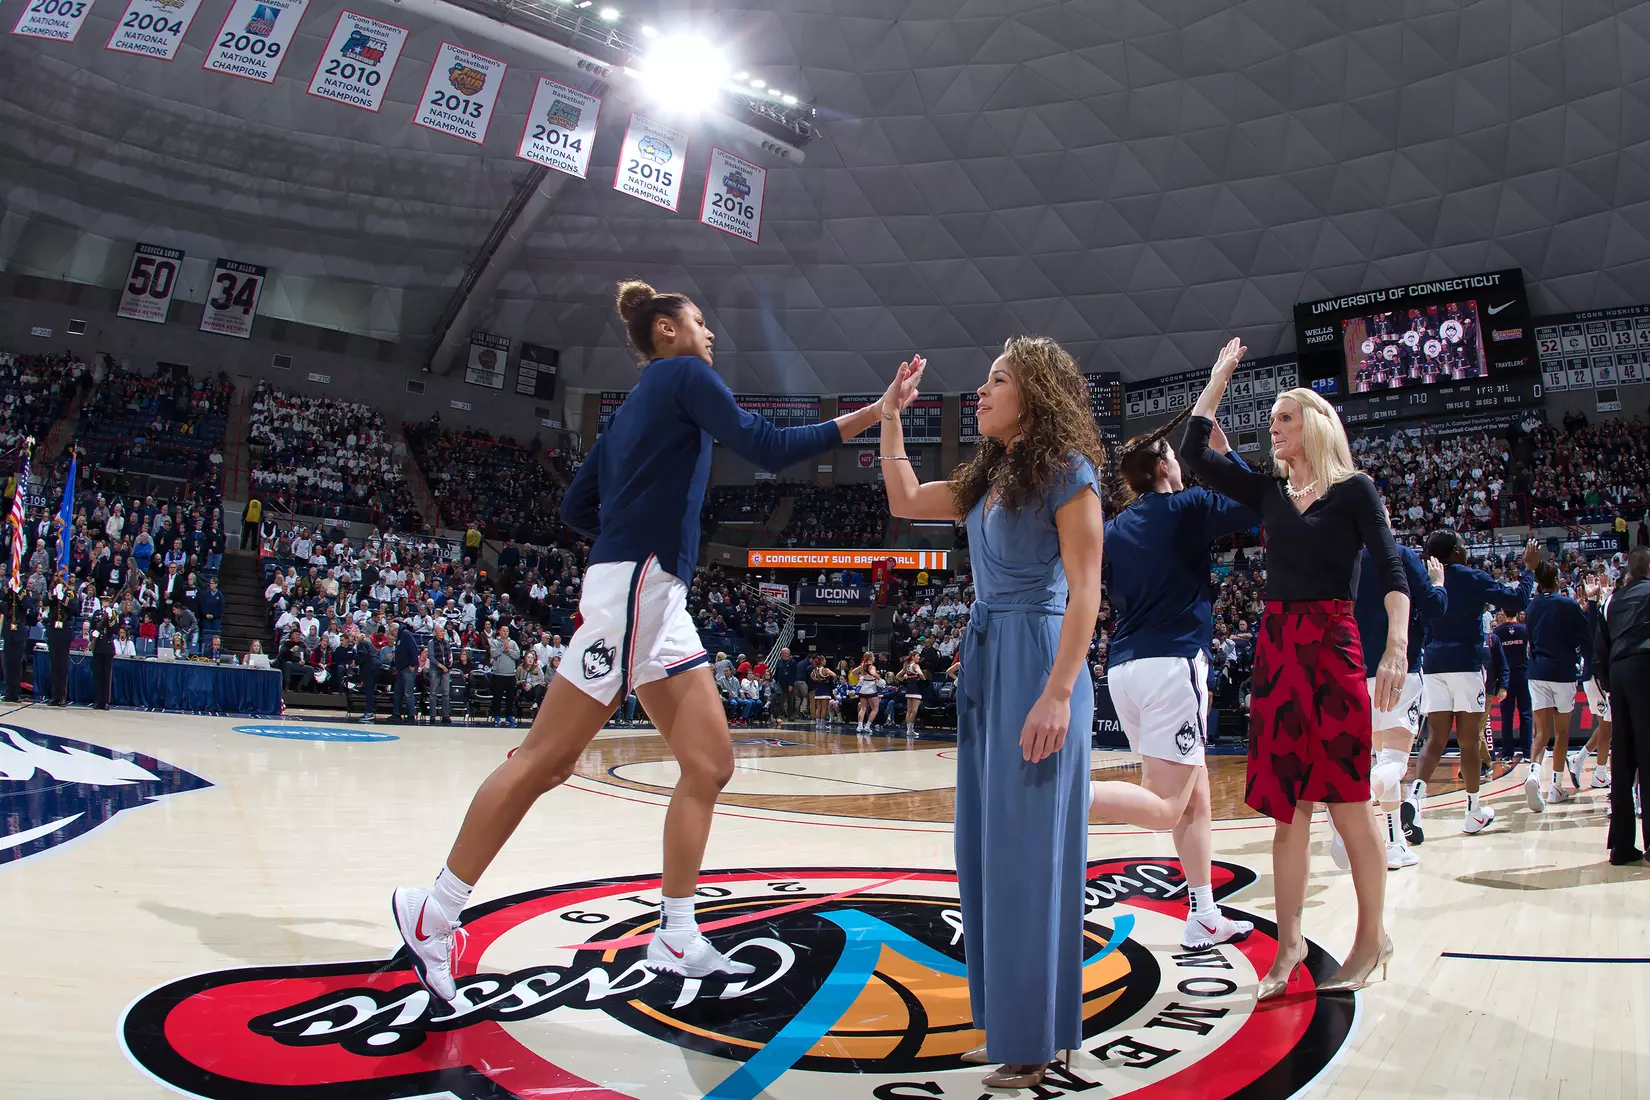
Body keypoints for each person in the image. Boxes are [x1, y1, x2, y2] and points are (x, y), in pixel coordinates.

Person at [392, 278, 895, 1001]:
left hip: (653, 594)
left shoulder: (625, 416)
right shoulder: (686, 376)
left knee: (710, 761)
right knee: (545, 759)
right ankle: (433, 912)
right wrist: (874, 414)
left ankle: (676, 934)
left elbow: (574, 505)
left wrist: (629, 531)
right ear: (666, 331)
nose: (710, 335)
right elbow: (766, 445)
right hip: (640, 586)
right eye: (700, 320)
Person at [877, 338, 1103, 1089]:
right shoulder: (988, 475)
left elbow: (1086, 592)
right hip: (986, 663)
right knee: (984, 857)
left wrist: (1060, 692)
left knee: (1030, 858)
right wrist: (891, 418)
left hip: (1038, 661)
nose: (980, 390)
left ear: (1032, 395)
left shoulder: (1070, 473)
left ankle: (1037, 1037)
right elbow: (905, 499)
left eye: (996, 380)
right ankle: (1008, 1023)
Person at [1181, 338, 1409, 1001]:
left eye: (1282, 418)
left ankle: (1371, 939)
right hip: (1278, 649)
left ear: (1311, 424)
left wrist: (1395, 644)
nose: (1271, 429)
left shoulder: (1355, 491)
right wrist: (1218, 376)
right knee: (1288, 808)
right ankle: (1289, 946)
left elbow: (1392, 573)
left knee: (1350, 800)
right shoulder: (1269, 491)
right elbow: (1196, 452)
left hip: (1335, 643)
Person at [1089, 407, 1260, 950]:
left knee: (1195, 797)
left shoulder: (1116, 528)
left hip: (1123, 670)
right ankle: (1062, 796)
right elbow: (1257, 500)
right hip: (1173, 665)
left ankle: (1203, 912)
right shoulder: (1185, 506)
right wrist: (1226, 453)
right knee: (1165, 807)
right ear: (1165, 465)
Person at [1406, 534, 1537, 839]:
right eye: (1462, 545)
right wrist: (1529, 570)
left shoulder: (1427, 581)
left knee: (1435, 739)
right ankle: (1473, 812)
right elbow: (1516, 602)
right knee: (1467, 740)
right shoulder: (1471, 577)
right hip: (1466, 663)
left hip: (1434, 663)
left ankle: (1414, 797)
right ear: (1455, 551)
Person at [1334, 532, 1449, 870]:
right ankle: (1352, 802)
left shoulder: (1347, 560)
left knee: (1383, 759)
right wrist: (1439, 582)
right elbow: (1434, 606)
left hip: (1356, 671)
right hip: (1399, 669)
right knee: (1396, 762)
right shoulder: (1399, 554)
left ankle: (1395, 842)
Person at [1523, 557, 1592, 809]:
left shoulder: (1531, 608)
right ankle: (1555, 786)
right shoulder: (1569, 604)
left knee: (1541, 732)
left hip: (1537, 670)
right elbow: (1584, 637)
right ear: (1556, 580)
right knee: (1562, 731)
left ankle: (1532, 774)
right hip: (1562, 672)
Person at [1596, 548, 1650, 864]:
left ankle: (1621, 846)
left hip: (1618, 674)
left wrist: (1608, 682)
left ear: (1627, 572)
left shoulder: (1611, 601)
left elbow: (1599, 649)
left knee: (1624, 758)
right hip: (1646, 666)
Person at [1491, 609, 1532, 759]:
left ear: (1503, 612)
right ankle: (1527, 752)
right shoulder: (1524, 629)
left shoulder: (1498, 631)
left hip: (1505, 677)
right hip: (1523, 674)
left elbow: (1494, 656)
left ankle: (1508, 752)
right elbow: (1530, 650)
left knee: (1506, 715)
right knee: (1526, 713)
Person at [487, 623, 519, 727]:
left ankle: (509, 716)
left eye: (507, 631)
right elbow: (493, 654)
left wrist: (508, 650)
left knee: (510, 697)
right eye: (503, 631)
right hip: (498, 675)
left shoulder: (513, 643)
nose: (505, 633)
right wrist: (502, 648)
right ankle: (496, 715)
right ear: (499, 632)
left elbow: (517, 655)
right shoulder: (495, 642)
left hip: (510, 675)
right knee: (497, 697)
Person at [391, 620, 420, 725]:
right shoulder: (399, 637)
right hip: (401, 668)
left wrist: (412, 664)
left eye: (392, 632)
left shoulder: (406, 634)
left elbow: (414, 650)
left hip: (408, 667)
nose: (392, 634)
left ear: (396, 630)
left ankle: (411, 715)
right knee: (397, 691)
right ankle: (396, 713)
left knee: (408, 692)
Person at [91, 612, 116, 710]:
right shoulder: (97, 613)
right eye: (104, 601)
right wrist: (93, 633)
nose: (105, 603)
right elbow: (93, 625)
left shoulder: (112, 614)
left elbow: (114, 630)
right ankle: (97, 700)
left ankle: (105, 701)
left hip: (107, 648)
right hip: (97, 647)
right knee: (97, 675)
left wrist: (110, 618)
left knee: (106, 676)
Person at [429, 623, 453, 725]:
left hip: (446, 670)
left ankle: (445, 715)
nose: (442, 633)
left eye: (443, 631)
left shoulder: (446, 642)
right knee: (433, 693)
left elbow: (449, 653)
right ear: (435, 632)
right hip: (435, 670)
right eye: (441, 631)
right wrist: (441, 666)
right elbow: (431, 657)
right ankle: (433, 715)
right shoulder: (431, 643)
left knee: (446, 693)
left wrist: (451, 658)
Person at [898, 652, 926, 735]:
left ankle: (909, 730)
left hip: (909, 688)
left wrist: (906, 681)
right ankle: (910, 730)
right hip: (916, 689)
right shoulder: (915, 666)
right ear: (913, 657)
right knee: (914, 711)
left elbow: (897, 676)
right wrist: (924, 681)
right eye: (917, 656)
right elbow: (921, 674)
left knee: (909, 711)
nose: (919, 657)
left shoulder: (907, 666)